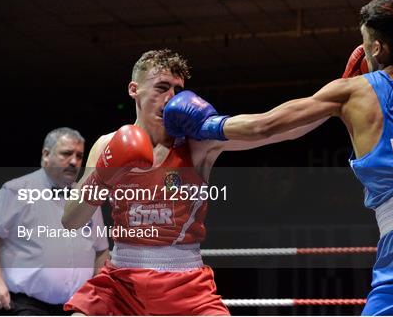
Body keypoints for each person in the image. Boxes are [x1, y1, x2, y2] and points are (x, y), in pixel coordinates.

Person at [163, 0, 393, 315]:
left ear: (377, 48)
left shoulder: (350, 93)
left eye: (365, 44)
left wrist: (206, 125)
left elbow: (267, 125)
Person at [60, 49, 331, 315]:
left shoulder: (198, 143)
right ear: (134, 89)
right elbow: (71, 220)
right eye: (162, 87)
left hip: (186, 284)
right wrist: (102, 177)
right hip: (121, 283)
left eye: (177, 91)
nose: (170, 99)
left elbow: (274, 129)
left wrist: (335, 103)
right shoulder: (107, 145)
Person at [0, 127, 109, 315]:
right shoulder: (16, 190)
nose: (74, 161)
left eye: (79, 156)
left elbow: (101, 249)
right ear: (46, 155)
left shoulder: (87, 196)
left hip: (79, 304)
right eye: (66, 154)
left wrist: (99, 291)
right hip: (28, 305)